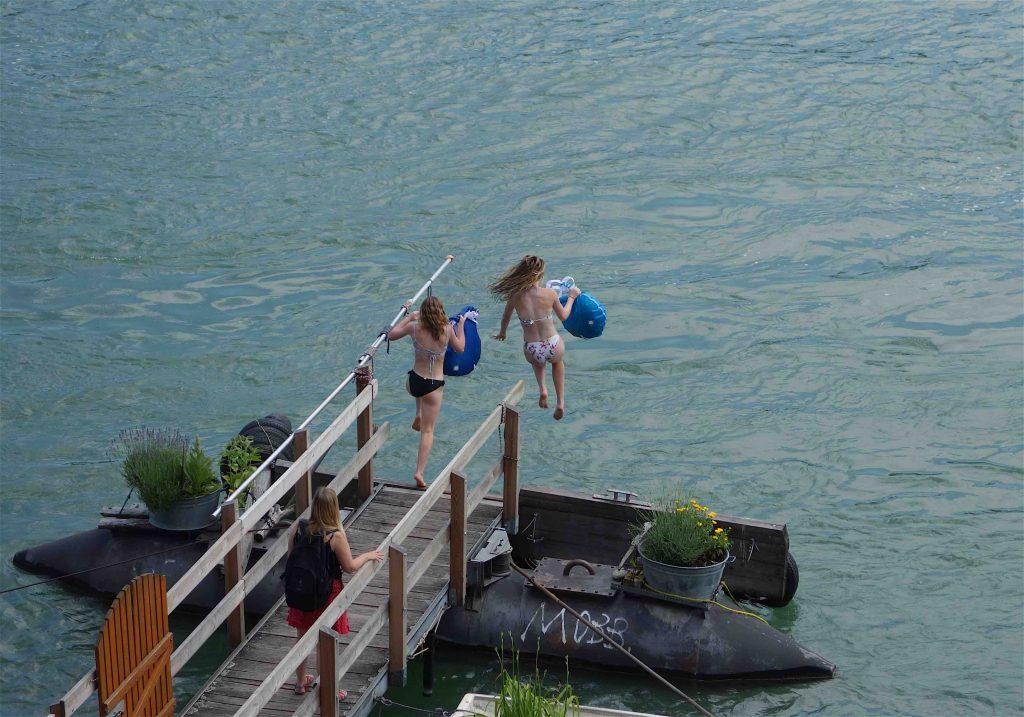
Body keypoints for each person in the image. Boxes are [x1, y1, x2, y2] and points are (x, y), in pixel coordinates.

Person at [287, 486, 384, 695]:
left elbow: (291, 559)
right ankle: (327, 689)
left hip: (302, 590)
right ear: (333, 509)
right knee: (325, 642)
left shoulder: (298, 528)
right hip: (326, 594)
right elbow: (349, 567)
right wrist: (368, 555)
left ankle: (300, 682)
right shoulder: (335, 536)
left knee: (301, 636)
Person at [387, 295, 466, 488]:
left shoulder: (414, 327)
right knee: (428, 432)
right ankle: (419, 472)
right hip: (433, 385)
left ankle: (418, 414)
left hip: (414, 383)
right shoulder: (446, 330)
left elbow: (391, 334)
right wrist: (461, 325)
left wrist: (409, 316)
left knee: (418, 389)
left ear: (423, 312)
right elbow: (461, 348)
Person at [490, 255, 581, 420]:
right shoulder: (550, 293)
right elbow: (564, 316)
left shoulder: (514, 295)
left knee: (538, 364)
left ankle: (543, 390)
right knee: (557, 363)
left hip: (533, 348)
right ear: (539, 275)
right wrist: (572, 297)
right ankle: (560, 402)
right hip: (553, 344)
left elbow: (505, 318)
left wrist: (503, 333)